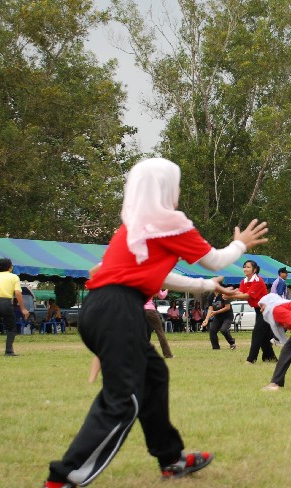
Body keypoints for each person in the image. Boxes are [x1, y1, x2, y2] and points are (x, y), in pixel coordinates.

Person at [43, 158, 268, 487]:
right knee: (124, 400)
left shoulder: (134, 228)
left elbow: (158, 275)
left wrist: (207, 286)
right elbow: (216, 259)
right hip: (118, 311)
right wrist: (241, 244)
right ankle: (63, 477)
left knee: (154, 376)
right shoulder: (169, 222)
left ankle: (170, 458)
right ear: (166, 187)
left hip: (102, 308)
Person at [225, 260, 276, 364]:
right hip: (258, 310)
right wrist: (229, 293)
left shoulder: (258, 280)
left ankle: (251, 359)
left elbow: (247, 295)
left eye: (248, 267)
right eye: (244, 267)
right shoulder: (244, 281)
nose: (245, 269)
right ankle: (270, 358)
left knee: (257, 333)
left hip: (267, 310)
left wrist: (230, 296)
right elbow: (240, 292)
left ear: (254, 269)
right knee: (264, 337)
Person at [144, 290, 173, 359]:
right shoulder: (154, 284)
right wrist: (167, 290)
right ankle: (167, 354)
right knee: (160, 332)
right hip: (150, 310)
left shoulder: (139, 284)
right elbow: (162, 296)